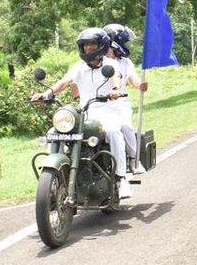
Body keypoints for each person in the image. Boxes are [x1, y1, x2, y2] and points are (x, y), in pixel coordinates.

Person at [33, 28, 132, 200]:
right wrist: (47, 94)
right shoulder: (78, 68)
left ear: (101, 46)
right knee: (53, 133)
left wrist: (115, 89)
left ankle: (121, 179)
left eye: (93, 44)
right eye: (85, 45)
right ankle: (53, 177)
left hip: (106, 111)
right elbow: (64, 82)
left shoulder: (110, 64)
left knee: (114, 132)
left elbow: (116, 77)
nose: (89, 48)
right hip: (85, 113)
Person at [103, 23, 149, 179]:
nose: (125, 45)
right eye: (123, 41)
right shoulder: (98, 61)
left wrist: (140, 86)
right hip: (101, 105)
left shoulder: (125, 63)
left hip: (120, 103)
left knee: (125, 126)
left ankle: (133, 159)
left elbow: (134, 81)